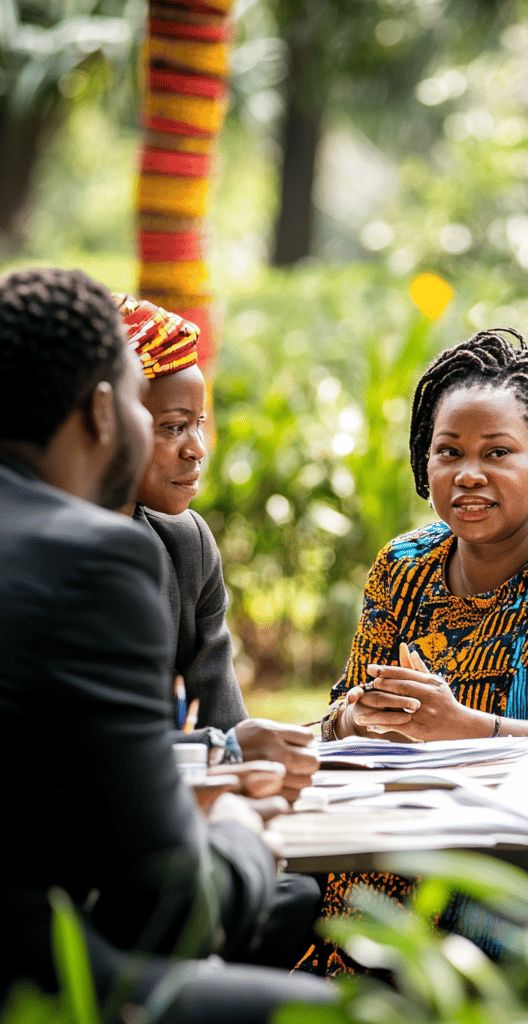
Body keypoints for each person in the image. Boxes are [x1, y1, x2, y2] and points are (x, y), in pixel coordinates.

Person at [0, 267, 335, 1019]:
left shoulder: (160, 543)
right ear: (102, 412)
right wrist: (242, 831)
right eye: (146, 408)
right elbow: (174, 901)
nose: (193, 447)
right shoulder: (91, 557)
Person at [300, 326, 528, 974]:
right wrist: (359, 717)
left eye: (497, 452)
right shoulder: (404, 566)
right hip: (393, 847)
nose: (468, 474)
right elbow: (335, 717)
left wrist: (464, 728)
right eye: (449, 452)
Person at [115, 294, 318, 802]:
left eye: (198, 423)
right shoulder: (33, 556)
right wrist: (223, 750)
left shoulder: (186, 547)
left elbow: (223, 718)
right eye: (172, 427)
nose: (197, 449)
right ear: (106, 420)